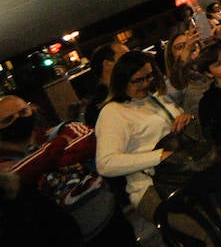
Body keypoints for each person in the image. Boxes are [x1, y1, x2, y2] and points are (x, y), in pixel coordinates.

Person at [0, 95, 136, 246]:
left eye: (23, 112)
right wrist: (60, 144)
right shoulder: (59, 138)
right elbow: (13, 177)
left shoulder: (62, 130)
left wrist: (38, 163)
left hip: (111, 221)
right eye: (8, 120)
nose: (19, 119)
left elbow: (91, 140)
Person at [93, 52, 193, 223]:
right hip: (150, 188)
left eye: (149, 76)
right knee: (204, 235)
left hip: (185, 176)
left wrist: (187, 118)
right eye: (138, 80)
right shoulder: (113, 112)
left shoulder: (156, 98)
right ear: (122, 81)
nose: (145, 83)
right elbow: (106, 163)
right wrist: (160, 156)